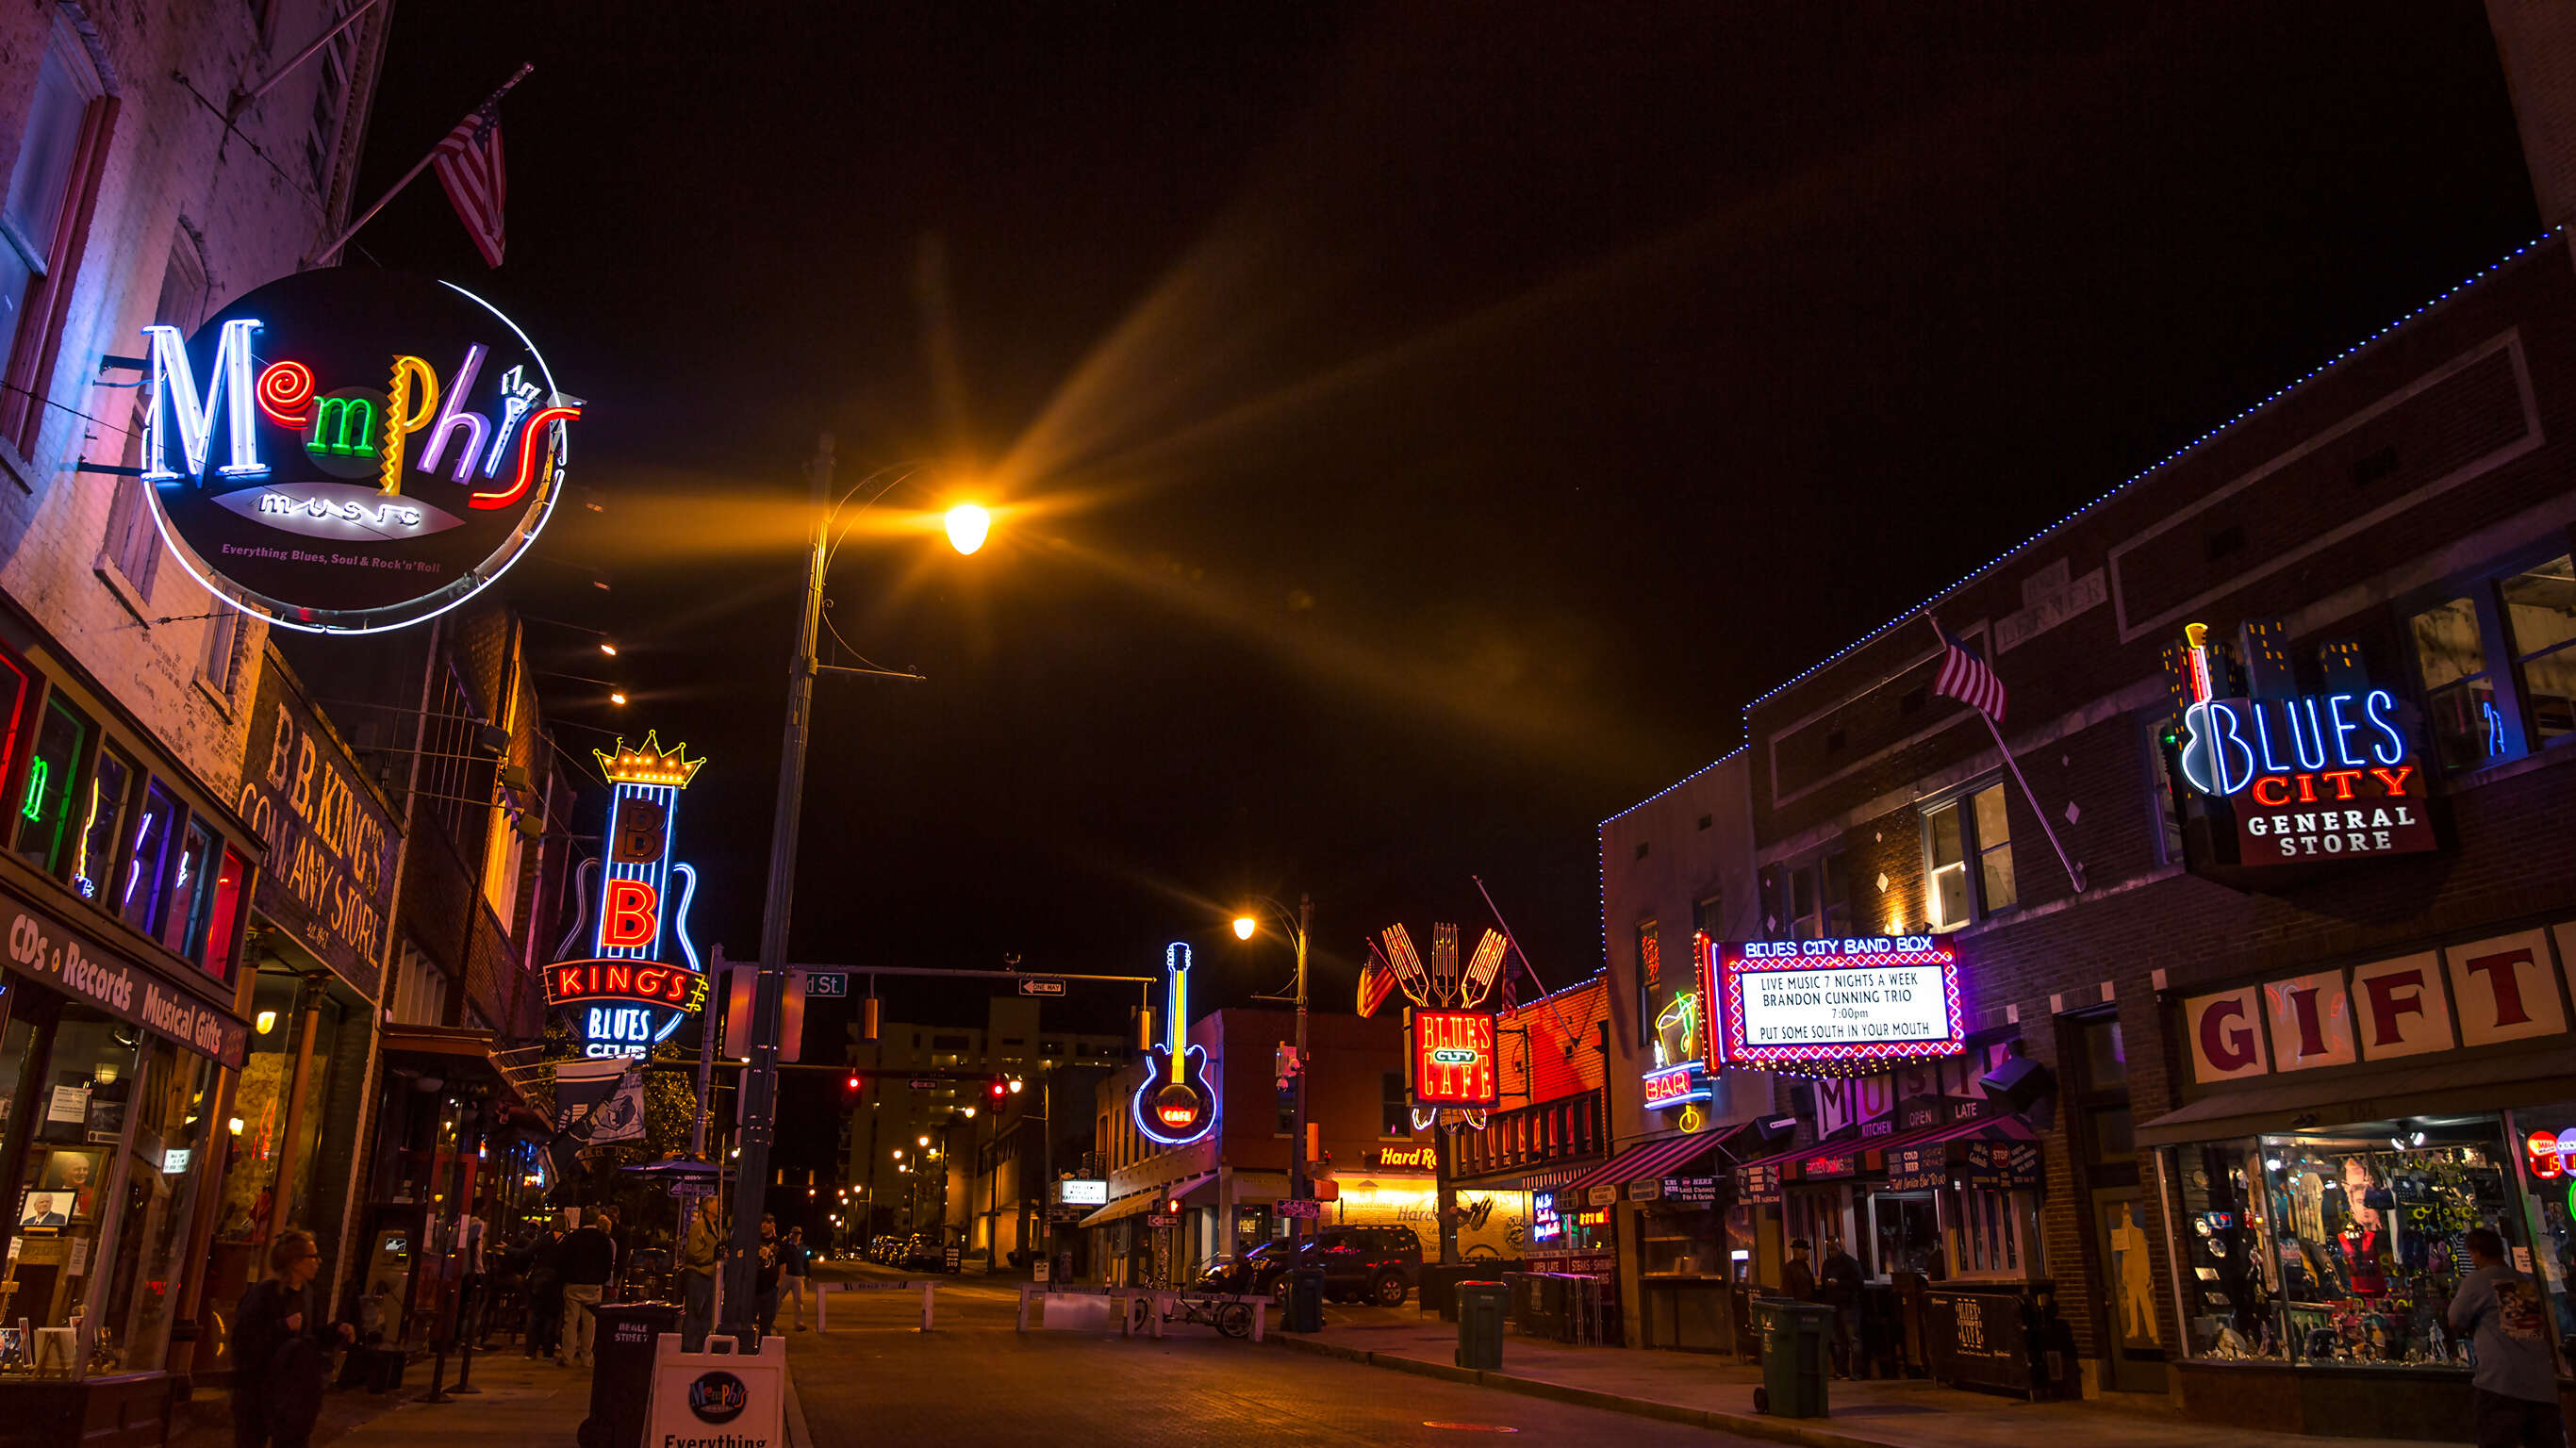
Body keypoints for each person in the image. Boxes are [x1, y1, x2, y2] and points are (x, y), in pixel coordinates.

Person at [232, 1230, 353, 1448]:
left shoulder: (307, 1294)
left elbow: (312, 1335)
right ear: (295, 1262)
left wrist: (337, 1330)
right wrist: (283, 1327)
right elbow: (245, 1342)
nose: (318, 1261)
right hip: (260, 1390)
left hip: (295, 1392)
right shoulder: (263, 1295)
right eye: (312, 1256)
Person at [2448, 1226, 2566, 1448]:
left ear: (2477, 1253)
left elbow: (2455, 1320)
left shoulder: (2478, 1280)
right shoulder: (2523, 1281)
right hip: (2540, 1383)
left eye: (2471, 1254)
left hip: (2500, 1383)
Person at [557, 1208, 617, 1368]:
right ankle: (586, 1357)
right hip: (593, 1286)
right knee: (590, 1323)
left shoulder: (573, 1237)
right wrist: (601, 1281)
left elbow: (563, 1259)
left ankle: (567, 1356)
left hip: (574, 1284)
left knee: (570, 1321)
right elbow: (607, 1263)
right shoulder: (603, 1239)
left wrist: (567, 1278)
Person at [680, 1196, 723, 1352]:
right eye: (718, 1204)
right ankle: (690, 1347)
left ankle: (700, 1346)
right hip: (698, 1276)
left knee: (706, 1315)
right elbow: (692, 1253)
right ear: (709, 1208)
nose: (721, 1207)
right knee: (695, 1313)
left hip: (709, 1276)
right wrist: (714, 1256)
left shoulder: (714, 1227)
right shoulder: (699, 1227)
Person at [1818, 1238, 1865, 1378]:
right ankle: (1842, 1370)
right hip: (1835, 1305)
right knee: (1840, 1340)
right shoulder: (1829, 1264)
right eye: (1829, 1248)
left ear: (1839, 1246)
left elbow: (1858, 1283)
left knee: (1852, 1339)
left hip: (1848, 1305)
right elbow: (1823, 1281)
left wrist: (1839, 1284)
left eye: (1833, 1248)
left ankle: (1856, 1371)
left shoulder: (1849, 1263)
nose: (1831, 1251)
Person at [522, 1222, 566, 1359]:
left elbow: (527, 1252)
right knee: (552, 1317)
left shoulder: (543, 1239)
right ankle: (548, 1352)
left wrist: (509, 1250)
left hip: (540, 1279)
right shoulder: (566, 1241)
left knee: (535, 1314)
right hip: (557, 1280)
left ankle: (530, 1351)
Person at [754, 1214, 783, 1340]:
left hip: (770, 1289)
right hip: (754, 1288)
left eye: (767, 1222)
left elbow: (783, 1265)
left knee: (766, 1324)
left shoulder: (778, 1243)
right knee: (748, 1321)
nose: (764, 1225)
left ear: (773, 1225)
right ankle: (748, 1349)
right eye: (762, 1222)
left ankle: (763, 1351)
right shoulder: (753, 1240)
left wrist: (778, 1284)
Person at [780, 1226, 812, 1330]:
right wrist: (787, 1240)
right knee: (778, 1299)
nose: (796, 1235)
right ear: (791, 1234)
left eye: (798, 1233)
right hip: (786, 1275)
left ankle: (799, 1323)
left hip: (799, 1277)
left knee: (799, 1301)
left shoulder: (804, 1248)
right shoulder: (786, 1246)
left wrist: (809, 1275)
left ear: (801, 1235)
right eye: (794, 1233)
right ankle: (770, 1320)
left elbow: (806, 1263)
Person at [1782, 1237, 1818, 1303]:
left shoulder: (1804, 1266)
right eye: (1806, 1250)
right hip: (1799, 1306)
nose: (1808, 1252)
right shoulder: (1790, 1268)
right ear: (1798, 1250)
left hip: (1806, 1304)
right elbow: (1788, 1291)